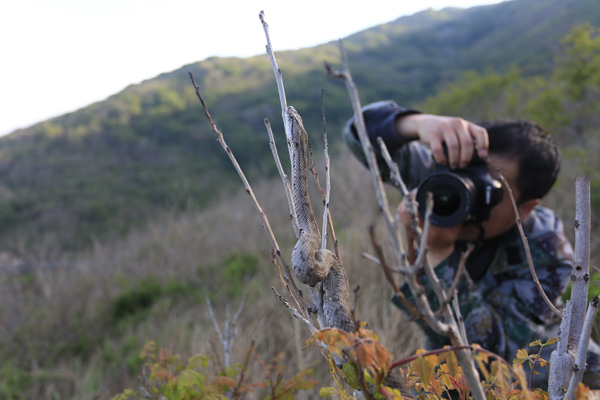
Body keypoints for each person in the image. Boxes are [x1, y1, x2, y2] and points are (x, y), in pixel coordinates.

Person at [344, 100, 599, 389]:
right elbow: (357, 135)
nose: (467, 190)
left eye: (490, 188)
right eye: (468, 174)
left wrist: (438, 255)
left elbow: (495, 359)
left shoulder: (547, 253)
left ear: (526, 208)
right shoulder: (442, 180)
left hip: (544, 363)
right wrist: (417, 124)